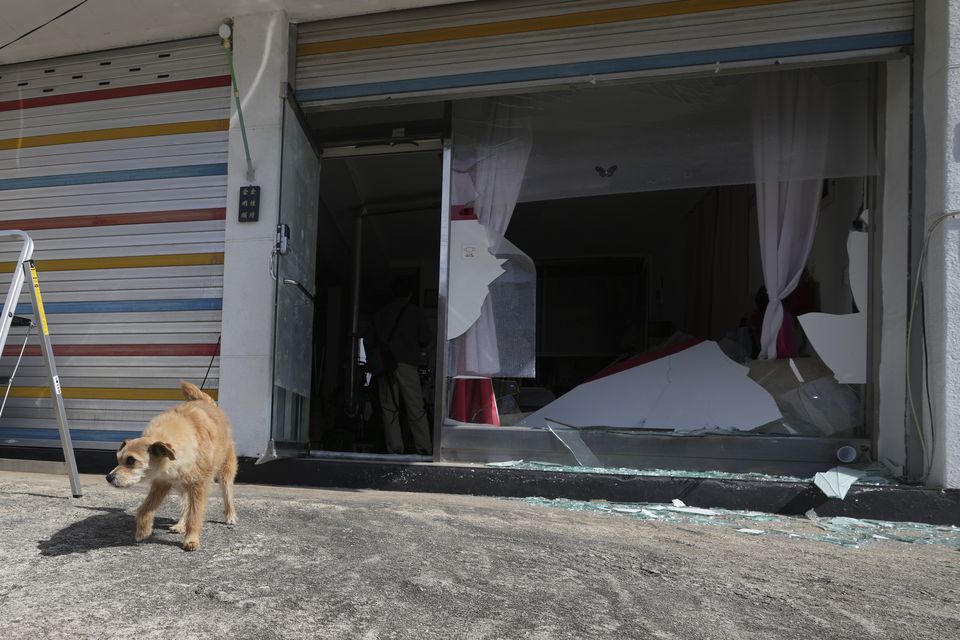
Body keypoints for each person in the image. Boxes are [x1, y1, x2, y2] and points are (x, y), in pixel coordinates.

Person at [373, 278, 432, 455]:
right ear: (410, 294)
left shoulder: (382, 312)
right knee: (415, 408)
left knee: (389, 408)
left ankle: (395, 449)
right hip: (407, 364)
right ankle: (423, 448)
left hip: (385, 365)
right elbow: (426, 339)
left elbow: (372, 338)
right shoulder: (415, 312)